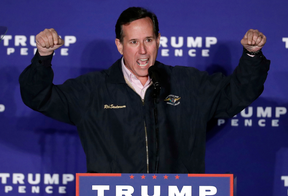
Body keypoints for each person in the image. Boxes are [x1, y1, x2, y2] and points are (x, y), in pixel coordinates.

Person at [19, 7, 270, 173]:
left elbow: (237, 93)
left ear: (158, 40)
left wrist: (251, 56)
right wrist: (43, 57)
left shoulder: (186, 83)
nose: (142, 51)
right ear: (119, 45)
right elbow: (38, 96)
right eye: (133, 42)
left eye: (148, 40)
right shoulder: (92, 90)